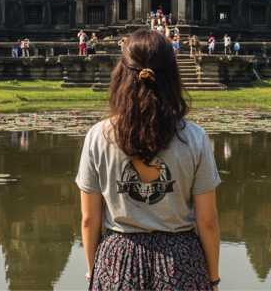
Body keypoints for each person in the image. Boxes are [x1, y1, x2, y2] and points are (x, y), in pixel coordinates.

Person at [76, 29, 221, 291]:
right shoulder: (194, 138)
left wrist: (94, 271)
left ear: (121, 74)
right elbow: (208, 221)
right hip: (181, 262)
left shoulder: (98, 136)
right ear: (172, 76)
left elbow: (89, 220)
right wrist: (213, 280)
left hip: (118, 260)